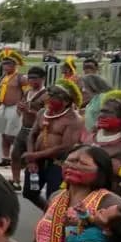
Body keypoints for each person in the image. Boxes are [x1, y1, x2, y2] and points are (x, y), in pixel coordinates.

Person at [23, 80, 83, 211]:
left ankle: (52, 217)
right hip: (36, 161)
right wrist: (32, 158)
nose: (48, 98)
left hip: (58, 163)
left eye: (54, 96)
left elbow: (66, 146)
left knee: (54, 196)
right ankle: (48, 212)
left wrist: (35, 155)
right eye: (49, 95)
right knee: (29, 192)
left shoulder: (74, 119)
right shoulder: (42, 113)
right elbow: (32, 135)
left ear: (66, 101)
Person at [9, 66, 48, 191]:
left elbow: (46, 116)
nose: (31, 81)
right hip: (24, 128)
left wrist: (29, 111)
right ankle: (16, 181)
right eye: (29, 78)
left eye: (35, 78)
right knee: (15, 154)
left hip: (37, 132)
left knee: (33, 159)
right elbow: (22, 107)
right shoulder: (27, 92)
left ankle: (34, 183)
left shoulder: (46, 95)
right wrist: (20, 108)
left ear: (43, 79)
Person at [91, 90, 121, 204]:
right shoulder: (90, 137)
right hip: (88, 201)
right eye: (101, 111)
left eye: (108, 112)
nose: (101, 115)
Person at [0, 48, 26, 168]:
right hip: (3, 107)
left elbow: (28, 92)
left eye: (8, 63)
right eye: (4, 63)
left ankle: (21, 157)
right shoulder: (3, 77)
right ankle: (5, 158)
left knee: (11, 135)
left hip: (14, 108)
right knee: (3, 134)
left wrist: (21, 105)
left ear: (14, 65)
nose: (5, 66)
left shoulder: (20, 78)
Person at [81, 74, 112, 140]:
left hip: (98, 133)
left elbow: (107, 114)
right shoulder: (95, 98)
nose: (83, 90)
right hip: (91, 133)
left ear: (93, 86)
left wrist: (97, 125)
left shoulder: (103, 97)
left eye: (85, 87)